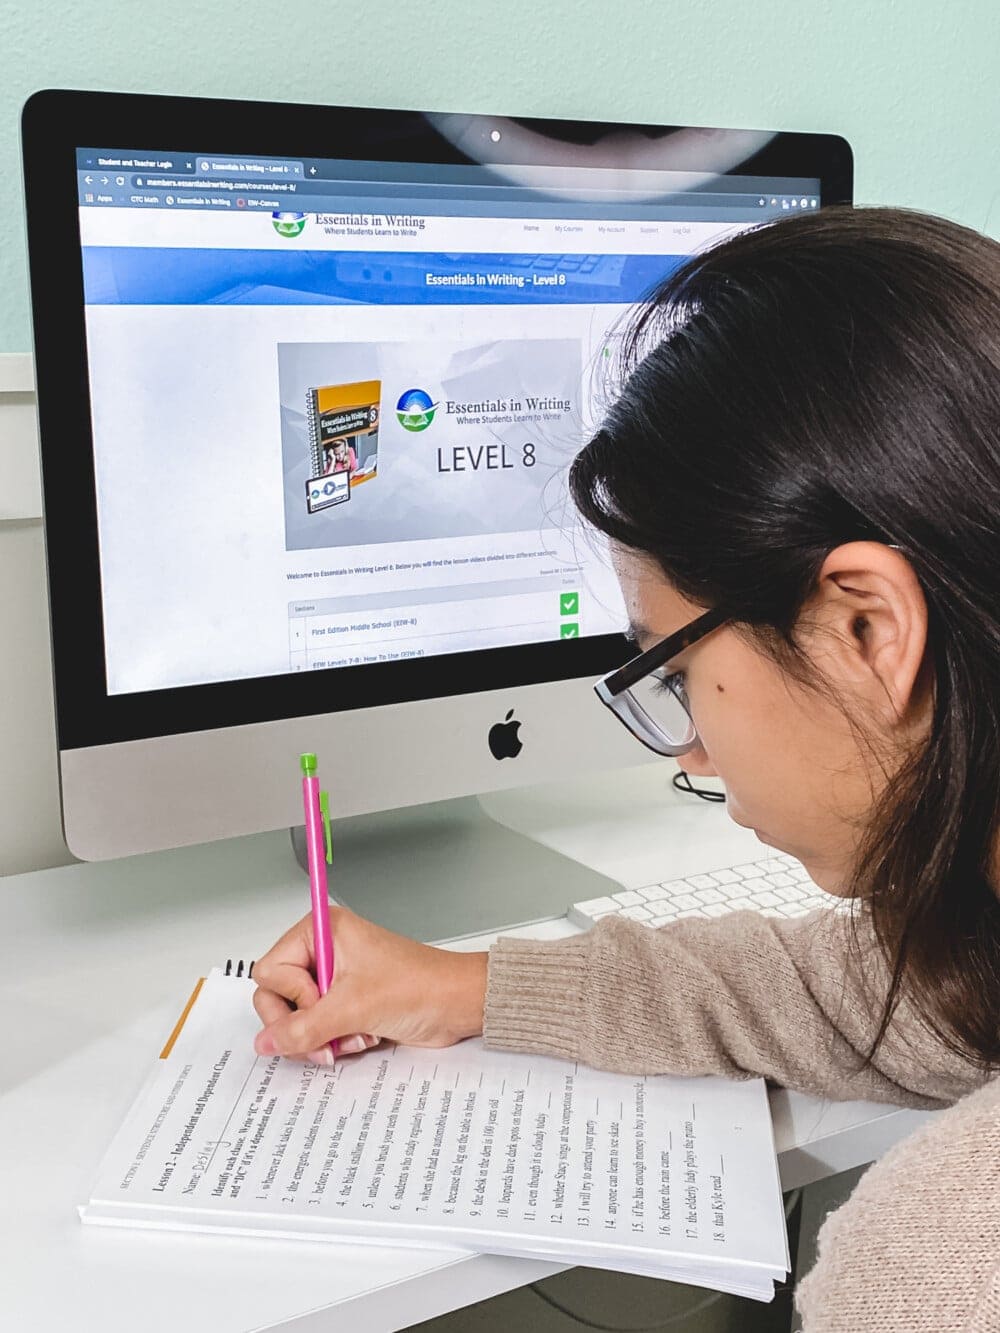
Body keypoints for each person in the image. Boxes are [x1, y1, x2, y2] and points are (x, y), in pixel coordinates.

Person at [251, 207, 1000, 1330]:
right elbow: (877, 995)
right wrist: (468, 987)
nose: (688, 747)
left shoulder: (938, 1267)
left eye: (677, 667)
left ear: (866, 630)